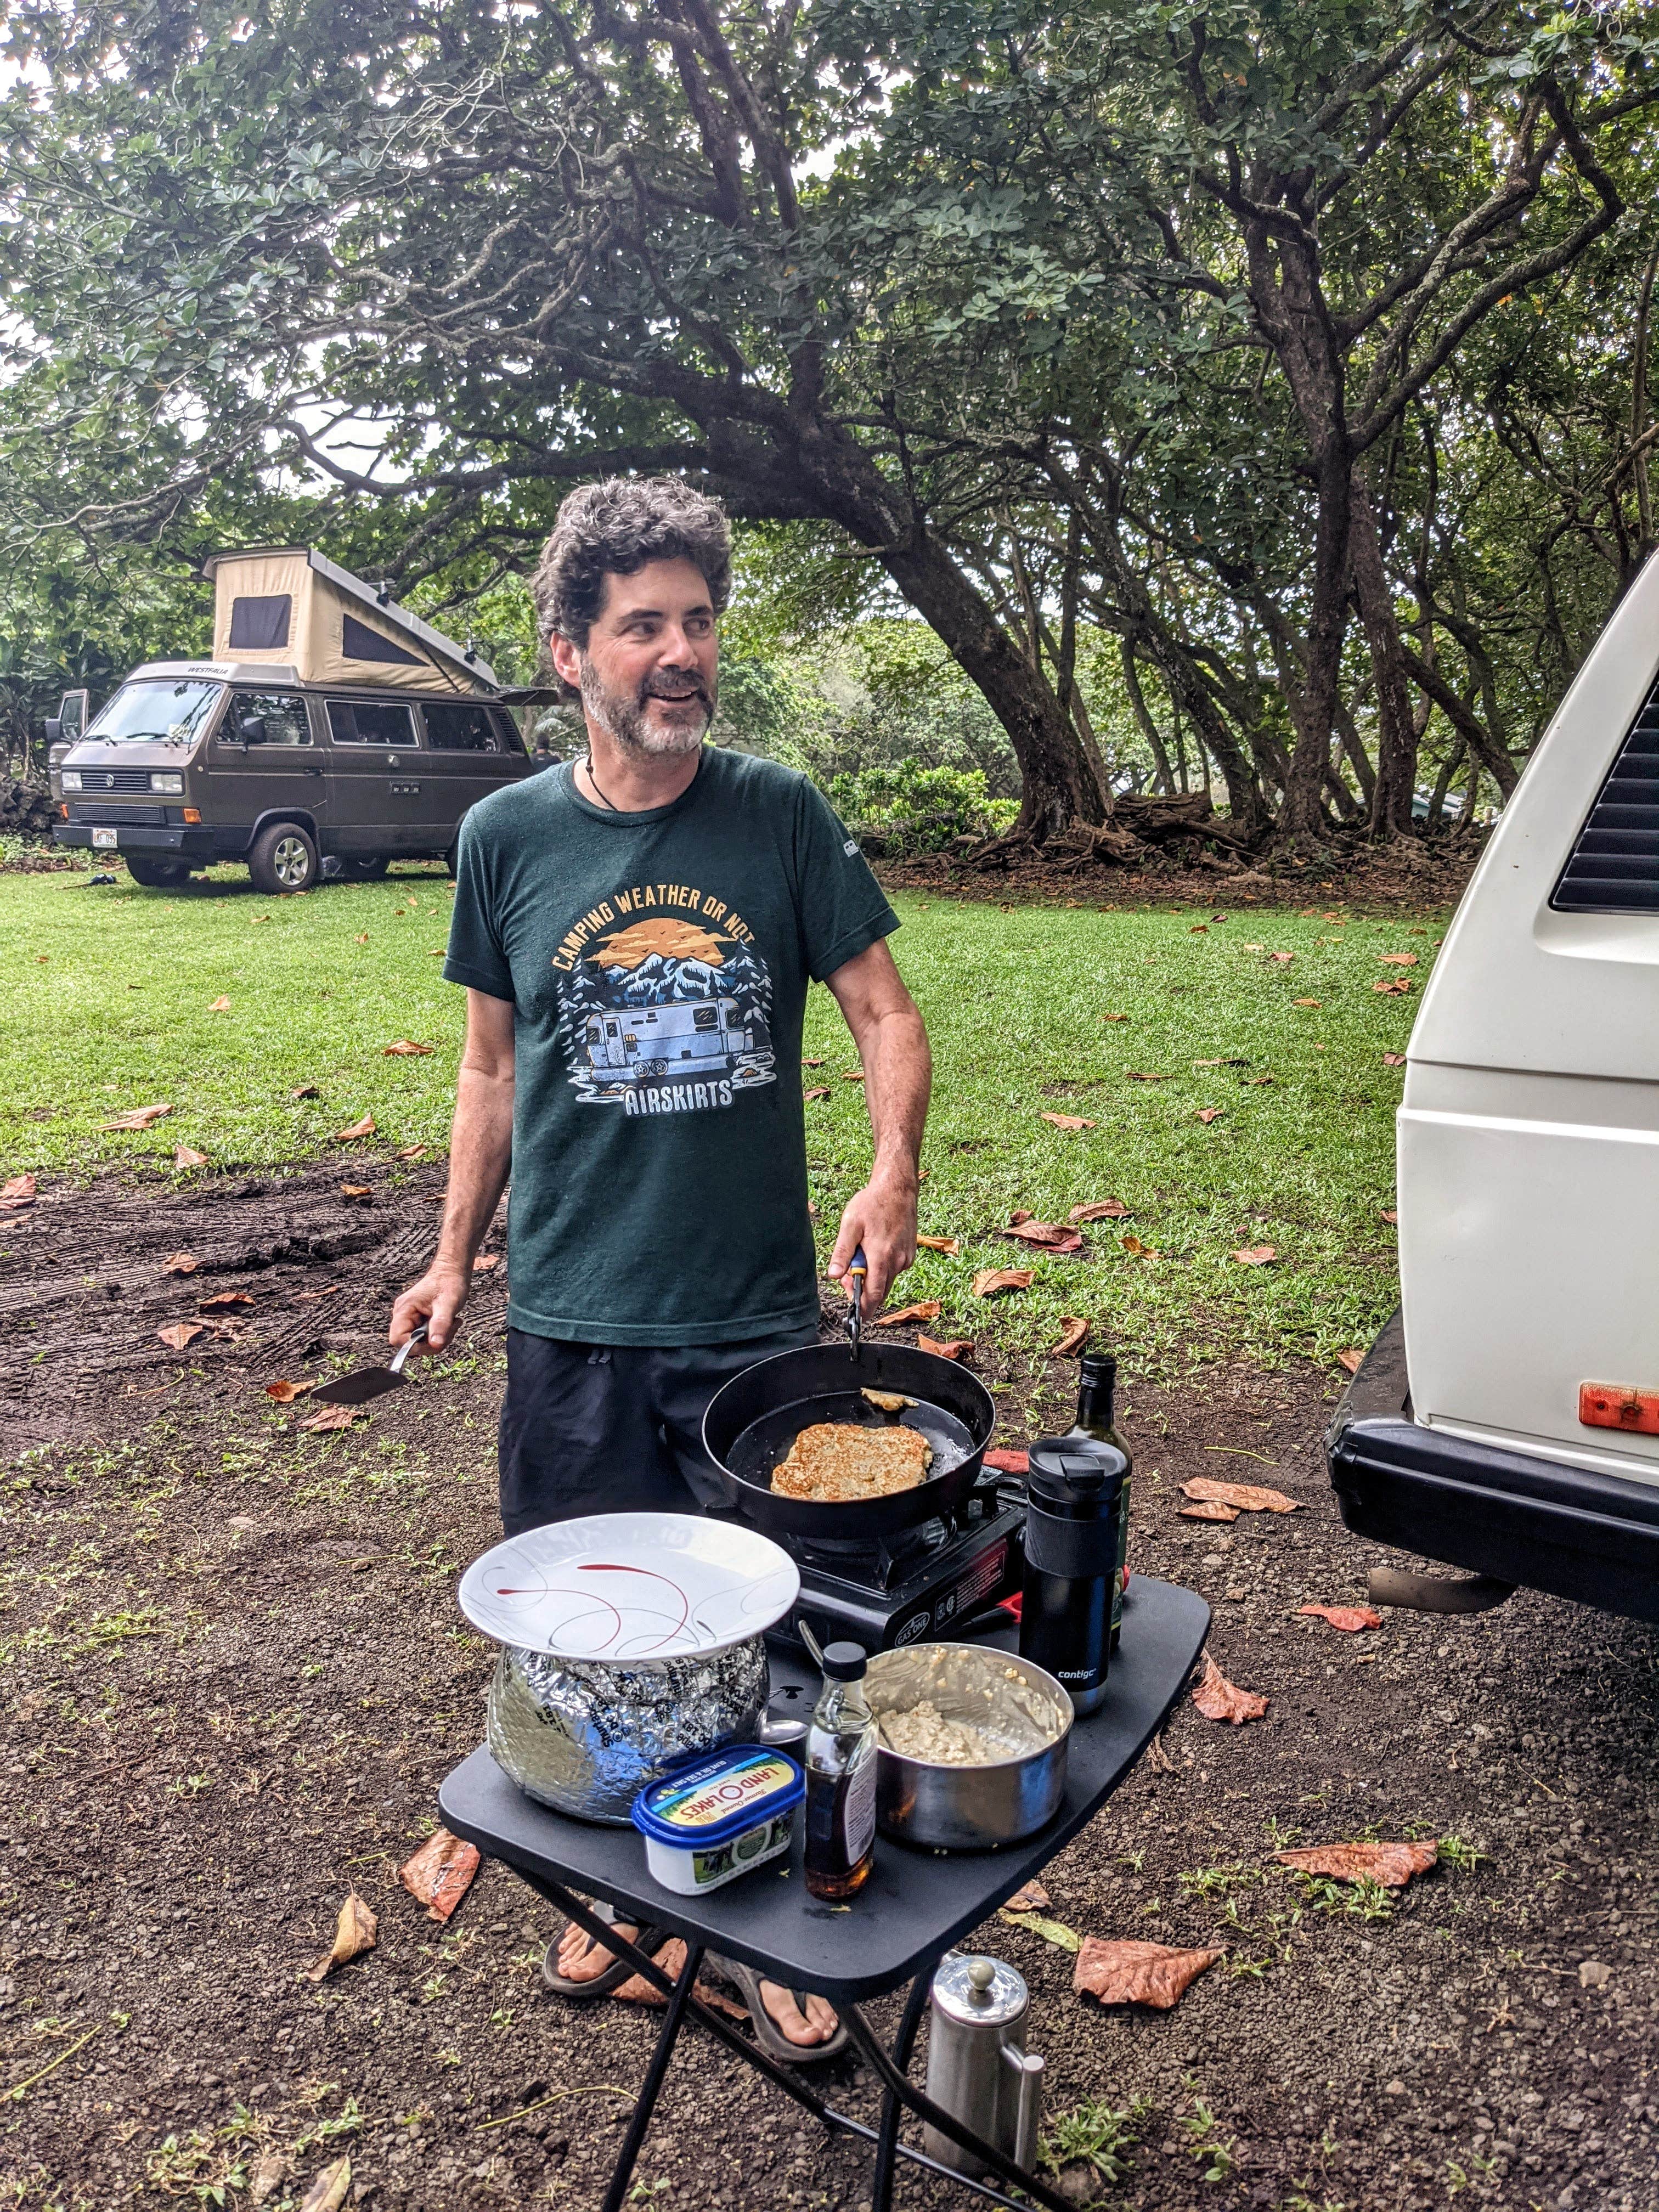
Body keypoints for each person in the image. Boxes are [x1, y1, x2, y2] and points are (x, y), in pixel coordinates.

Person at [391, 476, 931, 2058]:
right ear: (572, 653)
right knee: (588, 1642)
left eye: (698, 620)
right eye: (644, 626)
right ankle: (640, 1908)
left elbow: (885, 1014)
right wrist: (450, 1261)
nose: (681, 652)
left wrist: (893, 1172)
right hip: (568, 1316)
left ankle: (771, 1914)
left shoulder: (777, 815)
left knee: (771, 1642)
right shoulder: (505, 838)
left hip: (752, 1320)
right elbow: (491, 1073)